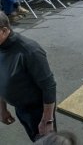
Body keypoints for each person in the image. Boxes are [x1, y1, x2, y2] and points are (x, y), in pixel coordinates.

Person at [0, 12, 56, 142]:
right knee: (35, 139)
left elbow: (49, 87)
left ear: (4, 30)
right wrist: (2, 109)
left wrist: (47, 121)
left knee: (48, 142)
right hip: (21, 108)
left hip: (37, 111)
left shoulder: (30, 51)